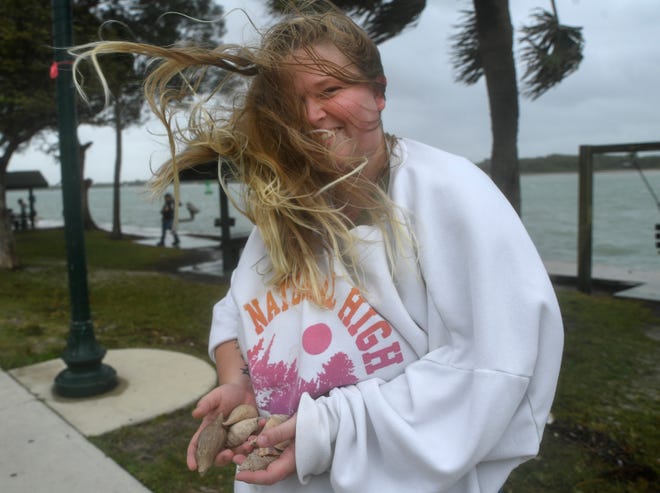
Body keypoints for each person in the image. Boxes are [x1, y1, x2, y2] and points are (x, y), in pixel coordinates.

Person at [73, 3, 564, 492]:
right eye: (292, 103)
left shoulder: (448, 192)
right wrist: (238, 382)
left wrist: (324, 430)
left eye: (331, 89)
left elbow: (493, 368)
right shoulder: (291, 207)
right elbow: (235, 313)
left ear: (379, 91)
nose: (311, 115)